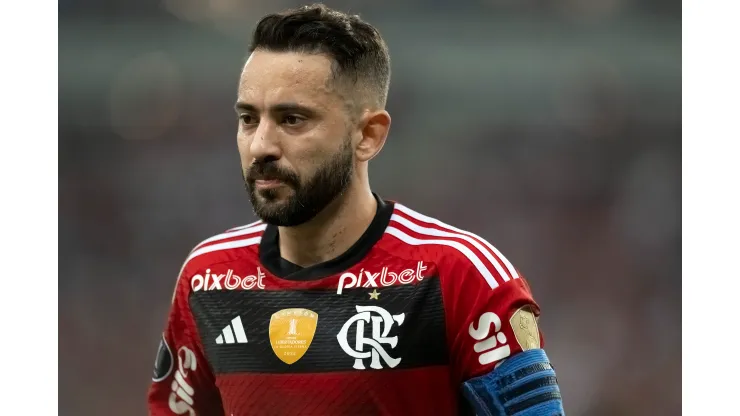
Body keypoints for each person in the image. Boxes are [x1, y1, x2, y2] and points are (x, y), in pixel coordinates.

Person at [147, 4, 564, 415]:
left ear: (368, 135)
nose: (261, 146)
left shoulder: (460, 276)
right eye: (248, 119)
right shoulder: (207, 278)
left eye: (292, 119)